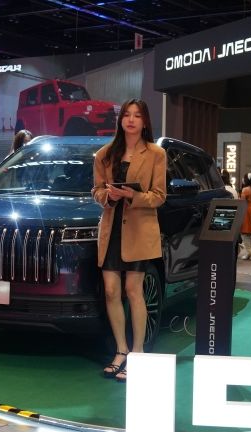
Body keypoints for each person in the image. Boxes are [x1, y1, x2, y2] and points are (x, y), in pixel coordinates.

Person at [92, 98, 166, 382]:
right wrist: (108, 196)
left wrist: (132, 195)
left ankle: (138, 353)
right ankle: (120, 350)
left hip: (139, 230)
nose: (131, 120)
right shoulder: (105, 154)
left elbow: (159, 196)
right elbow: (96, 191)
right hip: (111, 229)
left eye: (137, 115)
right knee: (111, 291)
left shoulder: (156, 154)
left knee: (133, 290)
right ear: (120, 120)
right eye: (126, 115)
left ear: (145, 121)